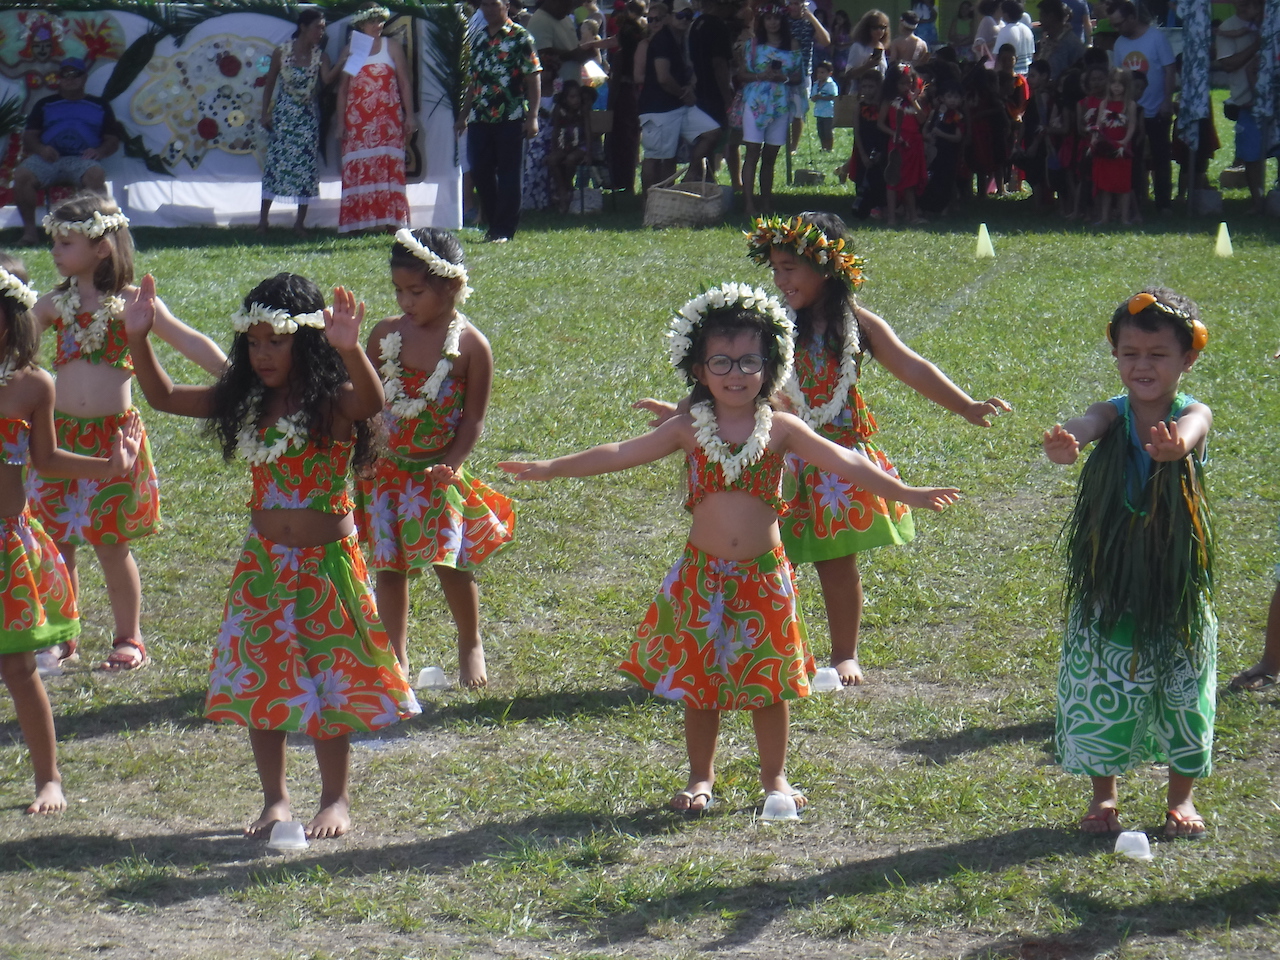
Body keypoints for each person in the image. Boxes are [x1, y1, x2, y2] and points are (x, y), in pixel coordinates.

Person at [502, 282, 961, 813]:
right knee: (702, 687)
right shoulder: (689, 430)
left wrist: (905, 492)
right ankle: (701, 778)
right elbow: (621, 452)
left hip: (765, 576)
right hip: (702, 577)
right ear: (698, 371)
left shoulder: (783, 428)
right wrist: (552, 467)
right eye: (720, 362)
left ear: (770, 367)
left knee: (770, 687)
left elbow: (846, 462)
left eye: (748, 362)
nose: (735, 374)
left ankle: (775, 780)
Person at [123, 272, 420, 840]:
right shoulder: (250, 402)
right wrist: (140, 336)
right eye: (253, 342)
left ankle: (335, 798)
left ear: (305, 341)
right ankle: (276, 800)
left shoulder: (330, 405)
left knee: (328, 681)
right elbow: (162, 396)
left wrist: (351, 347)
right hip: (264, 567)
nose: (262, 354)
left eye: (276, 341)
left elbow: (370, 401)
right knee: (266, 684)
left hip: (326, 568)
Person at [742, 214, 1006, 685]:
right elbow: (731, 375)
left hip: (838, 459)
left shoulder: (857, 324)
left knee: (836, 561)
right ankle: (765, 646)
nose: (780, 280)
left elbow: (912, 365)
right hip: (779, 456)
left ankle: (845, 653)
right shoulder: (768, 324)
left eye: (789, 269)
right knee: (763, 557)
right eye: (775, 270)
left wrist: (966, 406)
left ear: (826, 267)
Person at [1043, 289, 1215, 840]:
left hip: (1173, 580)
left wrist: (1176, 449)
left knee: (1185, 686)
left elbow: (1193, 430)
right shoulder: (1111, 414)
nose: (1142, 365)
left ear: (1187, 359)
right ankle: (1103, 796)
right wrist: (1069, 440)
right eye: (1130, 353)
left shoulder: (1191, 413)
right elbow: (1087, 421)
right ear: (1115, 354)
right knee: (1102, 683)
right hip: (1111, 584)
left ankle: (1181, 798)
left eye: (1158, 354)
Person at [30, 194, 226, 672]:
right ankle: (61, 634)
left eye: (66, 242)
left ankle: (128, 637)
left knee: (110, 544)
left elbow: (187, 340)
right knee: (56, 542)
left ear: (101, 248)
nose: (55, 251)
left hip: (115, 440)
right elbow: (15, 341)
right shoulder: (55, 304)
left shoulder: (129, 305)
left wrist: (235, 377)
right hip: (58, 438)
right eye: (54, 241)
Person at [0, 254, 141, 814]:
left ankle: (48, 777)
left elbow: (47, 459)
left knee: (16, 666)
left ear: (12, 322)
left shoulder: (33, 385)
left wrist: (108, 467)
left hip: (5, 541)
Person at [356, 229, 514, 688]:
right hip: (386, 473)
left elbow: (473, 421)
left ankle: (470, 644)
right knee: (389, 568)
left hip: (437, 474)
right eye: (399, 292)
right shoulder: (385, 335)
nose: (406, 302)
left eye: (417, 292)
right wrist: (361, 454)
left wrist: (456, 461)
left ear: (452, 286)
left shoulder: (471, 347)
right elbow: (365, 403)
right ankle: (396, 656)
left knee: (451, 564)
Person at [13, 58, 121, 247]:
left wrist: (98, 151)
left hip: (82, 159)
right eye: (65, 75)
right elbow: (29, 137)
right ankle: (30, 233)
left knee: (96, 174)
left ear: (84, 78)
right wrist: (41, 149)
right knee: (22, 175)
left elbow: (112, 140)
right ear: (59, 79)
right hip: (48, 158)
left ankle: (93, 232)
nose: (70, 79)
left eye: (75, 74)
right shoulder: (45, 104)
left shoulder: (100, 105)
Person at [458, 0, 542, 243]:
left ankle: (504, 229)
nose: (489, 10)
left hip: (510, 115)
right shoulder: (478, 38)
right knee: (480, 170)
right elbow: (473, 81)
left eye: (494, 5)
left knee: (508, 174)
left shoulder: (520, 36)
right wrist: (463, 116)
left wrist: (533, 116)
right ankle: (494, 223)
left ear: (506, 6)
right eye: (484, 5)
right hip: (480, 116)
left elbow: (533, 76)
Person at [257, 9, 343, 237]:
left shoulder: (320, 56)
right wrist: (264, 113)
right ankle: (262, 221)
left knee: (305, 168)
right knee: (275, 166)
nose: (321, 32)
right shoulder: (282, 53)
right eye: (317, 27)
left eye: (323, 28)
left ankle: (299, 223)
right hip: (284, 117)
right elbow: (269, 84)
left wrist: (343, 60)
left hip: (307, 118)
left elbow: (326, 79)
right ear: (303, 27)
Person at [335, 3, 415, 234]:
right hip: (358, 122)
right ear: (361, 24)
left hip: (387, 121)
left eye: (380, 21)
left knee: (388, 168)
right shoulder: (352, 49)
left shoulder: (391, 47)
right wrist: (340, 122)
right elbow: (342, 89)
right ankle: (358, 222)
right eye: (373, 22)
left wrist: (410, 115)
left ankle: (392, 221)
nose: (378, 26)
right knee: (360, 168)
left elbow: (404, 82)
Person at [636, 0, 720, 192]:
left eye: (689, 16)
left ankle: (689, 174)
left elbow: (687, 71)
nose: (685, 20)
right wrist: (684, 94)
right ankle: (649, 202)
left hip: (679, 106)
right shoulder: (662, 40)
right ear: (669, 18)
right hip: (658, 109)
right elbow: (663, 77)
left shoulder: (684, 39)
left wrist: (690, 86)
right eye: (680, 15)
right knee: (655, 158)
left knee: (712, 133)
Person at [1110, 1, 1175, 215]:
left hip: (1157, 109)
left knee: (1160, 157)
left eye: (1119, 24)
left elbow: (1169, 70)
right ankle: (1136, 201)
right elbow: (1118, 77)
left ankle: (1164, 203)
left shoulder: (1156, 38)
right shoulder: (1120, 43)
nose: (1117, 29)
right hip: (1131, 112)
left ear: (1132, 18)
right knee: (1133, 158)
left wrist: (1167, 100)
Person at [740, 4, 801, 218]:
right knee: (752, 152)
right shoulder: (753, 45)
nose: (773, 22)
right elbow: (741, 75)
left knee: (771, 156)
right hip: (756, 102)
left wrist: (781, 77)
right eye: (768, 18)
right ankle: (748, 204)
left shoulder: (792, 44)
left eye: (776, 18)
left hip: (780, 103)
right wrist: (761, 76)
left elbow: (798, 76)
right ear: (762, 21)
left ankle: (766, 202)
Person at [1213, 0, 1264, 214]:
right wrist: (1257, 46)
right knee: (1251, 154)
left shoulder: (1268, 22)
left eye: (1252, 5)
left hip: (1274, 97)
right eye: (1242, 4)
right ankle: (1258, 202)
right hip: (1246, 100)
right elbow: (1228, 64)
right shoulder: (1229, 28)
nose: (1246, 8)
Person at [878, 63, 927, 227]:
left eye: (909, 83)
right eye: (902, 83)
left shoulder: (913, 102)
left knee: (910, 182)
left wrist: (914, 102)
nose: (906, 87)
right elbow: (881, 124)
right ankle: (891, 217)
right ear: (894, 83)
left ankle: (912, 215)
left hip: (913, 144)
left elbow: (921, 119)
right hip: (897, 144)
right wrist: (894, 135)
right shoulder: (889, 101)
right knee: (893, 179)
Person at [1089, 67, 1136, 226]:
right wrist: (1095, 138)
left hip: (1122, 148)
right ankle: (1104, 217)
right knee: (1106, 185)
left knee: (1123, 185)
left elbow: (1132, 126)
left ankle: (1124, 218)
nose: (1116, 87)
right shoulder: (1104, 103)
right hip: (1106, 147)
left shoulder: (1129, 104)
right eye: (1113, 83)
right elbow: (1098, 125)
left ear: (1126, 86)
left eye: (1120, 84)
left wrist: (1125, 141)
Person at [785, 0, 831, 152]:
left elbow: (826, 41)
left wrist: (811, 17)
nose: (795, 7)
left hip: (803, 73)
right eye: (792, 3)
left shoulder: (808, 23)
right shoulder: (782, 21)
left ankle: (793, 146)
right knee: (781, 111)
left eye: (798, 3)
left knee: (799, 112)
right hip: (783, 72)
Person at [545, 80, 589, 211]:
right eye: (572, 97)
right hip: (563, 145)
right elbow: (555, 131)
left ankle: (566, 186)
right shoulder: (559, 110)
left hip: (580, 146)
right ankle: (562, 189)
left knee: (570, 160)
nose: (576, 100)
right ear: (564, 99)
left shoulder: (583, 110)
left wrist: (589, 153)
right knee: (552, 160)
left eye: (578, 97)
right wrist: (554, 149)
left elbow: (588, 131)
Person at [843, 10, 890, 86]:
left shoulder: (881, 46)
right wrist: (867, 66)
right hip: (859, 93)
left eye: (882, 27)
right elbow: (848, 75)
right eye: (875, 27)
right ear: (866, 28)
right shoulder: (858, 47)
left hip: (878, 94)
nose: (879, 31)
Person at [993, 0, 1034, 74]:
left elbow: (998, 59)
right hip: (1027, 76)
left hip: (1011, 77)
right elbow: (1032, 55)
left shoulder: (1005, 31)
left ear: (1006, 14)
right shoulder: (1028, 30)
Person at [810, 61, 839, 152]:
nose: (819, 75)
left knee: (828, 131)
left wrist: (822, 97)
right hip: (819, 112)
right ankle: (823, 147)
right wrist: (814, 98)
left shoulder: (831, 84)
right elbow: (812, 96)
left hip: (828, 112)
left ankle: (829, 148)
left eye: (822, 72)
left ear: (829, 73)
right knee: (821, 132)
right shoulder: (816, 84)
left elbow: (834, 96)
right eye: (818, 72)